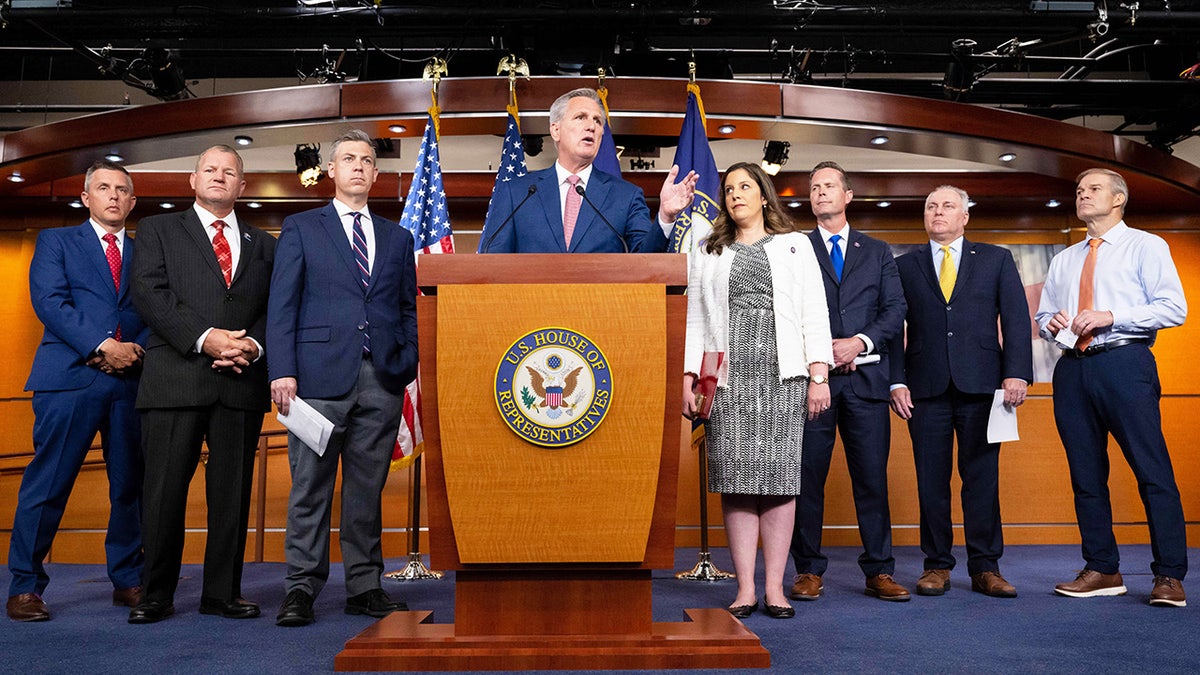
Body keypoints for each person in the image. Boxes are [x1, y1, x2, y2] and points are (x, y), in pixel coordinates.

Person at [268, 130, 418, 627]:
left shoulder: (399, 237)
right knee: (309, 488)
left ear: (377, 174)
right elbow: (283, 303)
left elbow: (404, 308)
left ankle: (364, 586)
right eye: (348, 159)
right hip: (314, 379)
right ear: (331, 171)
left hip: (382, 378)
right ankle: (301, 588)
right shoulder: (301, 227)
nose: (358, 166)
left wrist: (407, 361)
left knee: (365, 489)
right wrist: (283, 370)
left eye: (367, 160)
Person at [128, 145, 276, 623]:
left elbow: (276, 307)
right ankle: (155, 594)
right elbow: (150, 295)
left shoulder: (264, 243)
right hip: (175, 378)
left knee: (231, 497)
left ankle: (221, 594)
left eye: (229, 172)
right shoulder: (157, 230)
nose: (219, 177)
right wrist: (205, 339)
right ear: (193, 181)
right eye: (209, 170)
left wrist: (251, 345)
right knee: (164, 493)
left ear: (242, 186)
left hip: (240, 381)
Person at [683, 161, 833, 620]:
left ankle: (775, 588)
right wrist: (689, 377)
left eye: (745, 187)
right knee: (736, 483)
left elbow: (814, 309)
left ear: (764, 195)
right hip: (727, 379)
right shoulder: (710, 249)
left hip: (783, 376)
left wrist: (819, 374)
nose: (735, 195)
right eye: (729, 189)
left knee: (779, 485)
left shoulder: (794, 246)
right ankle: (745, 589)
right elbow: (696, 318)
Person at [1036, 168, 1188, 607]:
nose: (1082, 194)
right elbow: (1043, 317)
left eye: (1093, 189)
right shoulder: (1065, 258)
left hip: (1125, 363)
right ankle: (1102, 568)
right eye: (1079, 190)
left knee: (1151, 469)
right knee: (1086, 476)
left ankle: (1169, 576)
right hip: (1072, 369)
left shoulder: (1146, 245)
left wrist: (1110, 315)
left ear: (1118, 199)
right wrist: (1053, 323)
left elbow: (1172, 308)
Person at [7, 161, 148, 622]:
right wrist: (101, 345)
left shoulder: (145, 250)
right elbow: (50, 301)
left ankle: (128, 578)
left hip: (131, 382)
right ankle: (26, 586)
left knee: (130, 487)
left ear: (131, 201)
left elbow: (158, 309)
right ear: (86, 197)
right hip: (69, 378)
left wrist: (132, 351)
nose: (112, 196)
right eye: (103, 188)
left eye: (121, 190)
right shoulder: (57, 241)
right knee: (48, 484)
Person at [889, 185, 1032, 598]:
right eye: (930, 205)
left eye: (947, 206)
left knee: (982, 480)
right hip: (924, 388)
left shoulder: (996, 258)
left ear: (965, 216)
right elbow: (892, 326)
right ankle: (936, 565)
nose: (938, 212)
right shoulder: (905, 265)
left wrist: (1017, 372)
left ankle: (986, 567)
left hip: (984, 386)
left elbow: (1017, 320)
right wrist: (896, 380)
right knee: (931, 481)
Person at [789, 161, 909, 603]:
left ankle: (879, 570)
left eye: (829, 186)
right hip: (810, 386)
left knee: (872, 480)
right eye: (814, 187)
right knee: (807, 479)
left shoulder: (876, 251)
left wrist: (858, 342)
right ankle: (808, 571)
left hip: (866, 383)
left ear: (848, 196)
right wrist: (821, 352)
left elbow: (895, 309)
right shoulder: (794, 248)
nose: (820, 193)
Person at [478, 87, 698, 253]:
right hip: (530, 310)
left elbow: (645, 260)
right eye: (580, 117)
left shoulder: (626, 196)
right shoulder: (517, 192)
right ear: (555, 130)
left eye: (598, 121)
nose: (591, 126)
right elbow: (493, 260)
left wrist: (666, 216)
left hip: (600, 310)